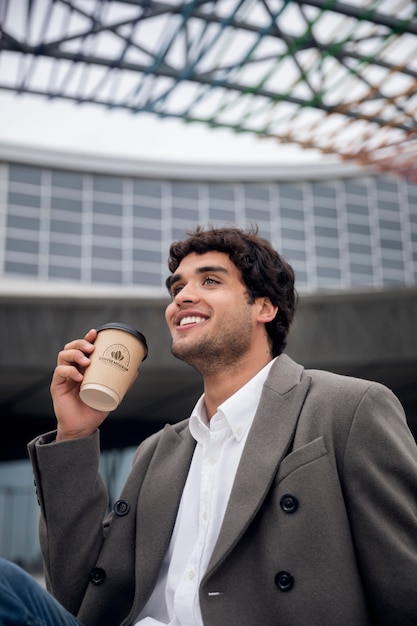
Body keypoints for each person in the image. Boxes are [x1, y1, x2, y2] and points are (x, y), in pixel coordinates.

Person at [1, 224, 417, 626]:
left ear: (264, 307)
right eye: (177, 287)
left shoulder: (347, 408)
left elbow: (404, 585)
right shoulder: (157, 452)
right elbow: (76, 598)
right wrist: (76, 433)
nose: (183, 297)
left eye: (210, 281)